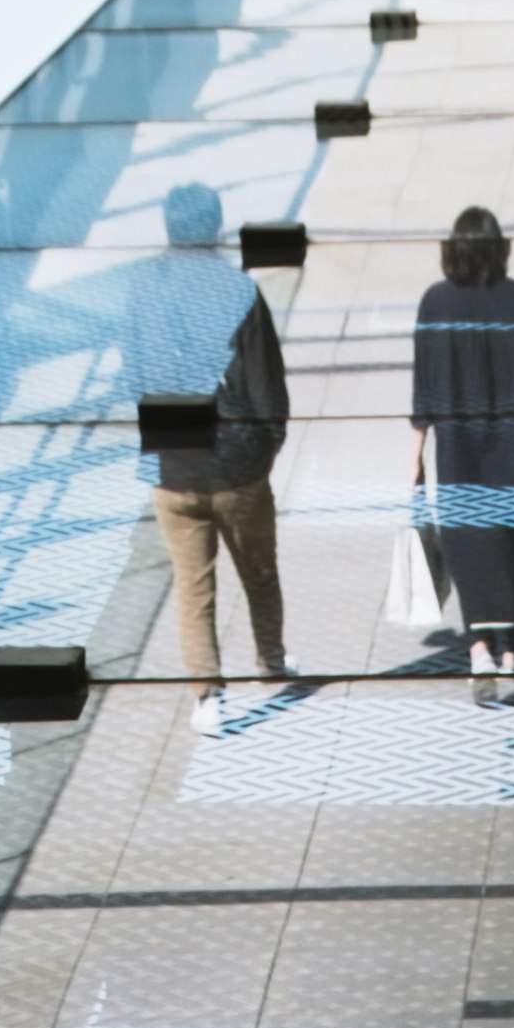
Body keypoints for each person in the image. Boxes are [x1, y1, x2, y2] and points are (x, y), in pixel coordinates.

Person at [143, 180, 292, 730]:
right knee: (259, 572)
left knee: (193, 588)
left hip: (173, 470)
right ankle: (272, 662)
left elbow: (133, 373)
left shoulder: (145, 291)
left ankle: (208, 697)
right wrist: (269, 444)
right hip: (238, 469)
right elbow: (266, 384)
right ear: (217, 229)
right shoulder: (240, 293)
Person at [410, 204, 514, 697]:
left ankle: (480, 654)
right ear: (500, 248)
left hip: (458, 452)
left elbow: (425, 392)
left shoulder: (434, 305)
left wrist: (414, 456)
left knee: (470, 546)